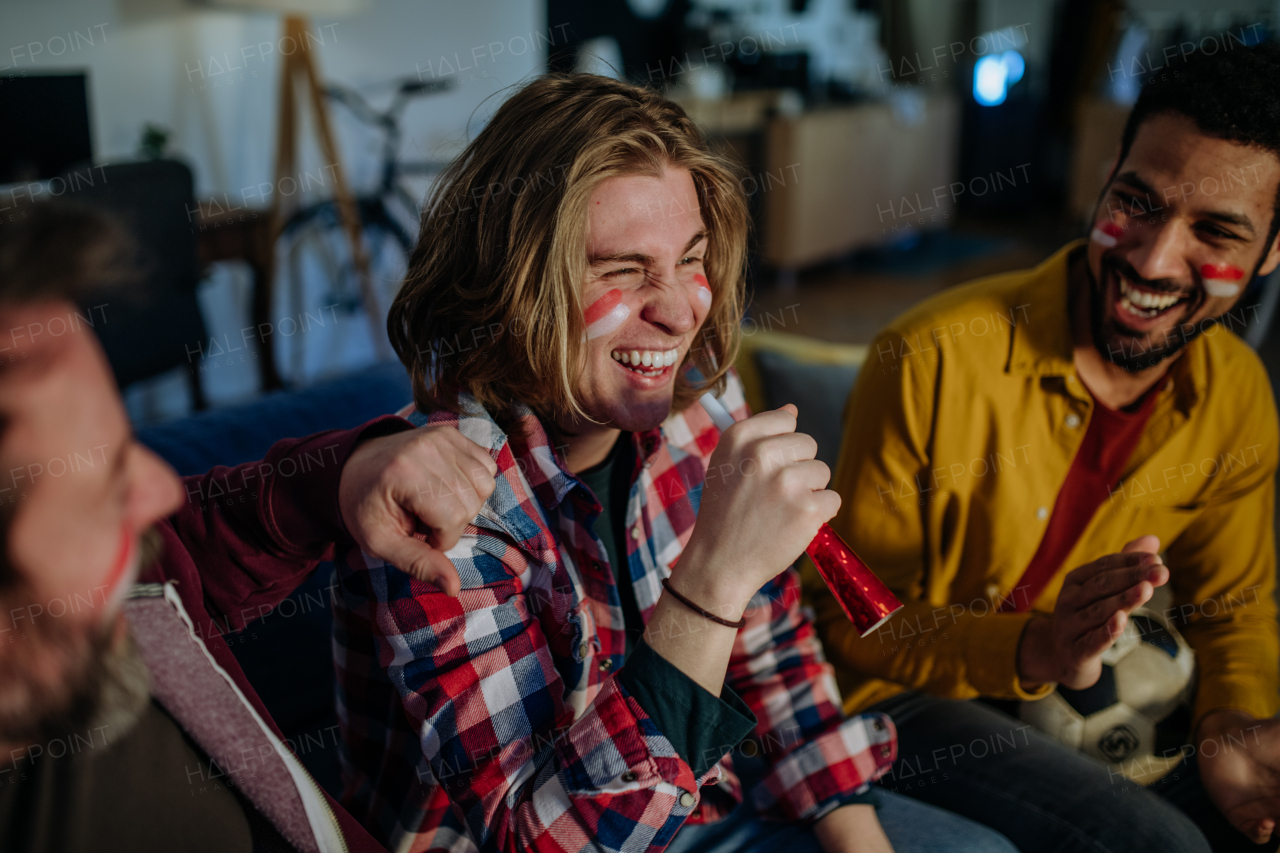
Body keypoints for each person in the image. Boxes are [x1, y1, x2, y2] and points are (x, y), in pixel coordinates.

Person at [329, 72, 1019, 853]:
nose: (682, 308)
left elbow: (775, 652)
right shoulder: (431, 502)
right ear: (510, 286)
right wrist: (714, 578)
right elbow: (537, 839)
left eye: (690, 258)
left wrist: (861, 841)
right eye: (621, 270)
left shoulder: (705, 413)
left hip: (705, 804)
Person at [806, 43, 1280, 853]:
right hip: (902, 696)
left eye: (1216, 231)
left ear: (1272, 253)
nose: (1154, 259)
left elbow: (1233, 609)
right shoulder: (926, 357)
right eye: (1137, 201)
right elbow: (855, 621)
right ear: (1104, 178)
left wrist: (1231, 723)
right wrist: (1033, 646)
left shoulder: (1235, 392)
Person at [0, 202, 500, 852]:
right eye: (102, 490)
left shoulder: (105, 594)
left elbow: (182, 546)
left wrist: (337, 479)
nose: (156, 490)